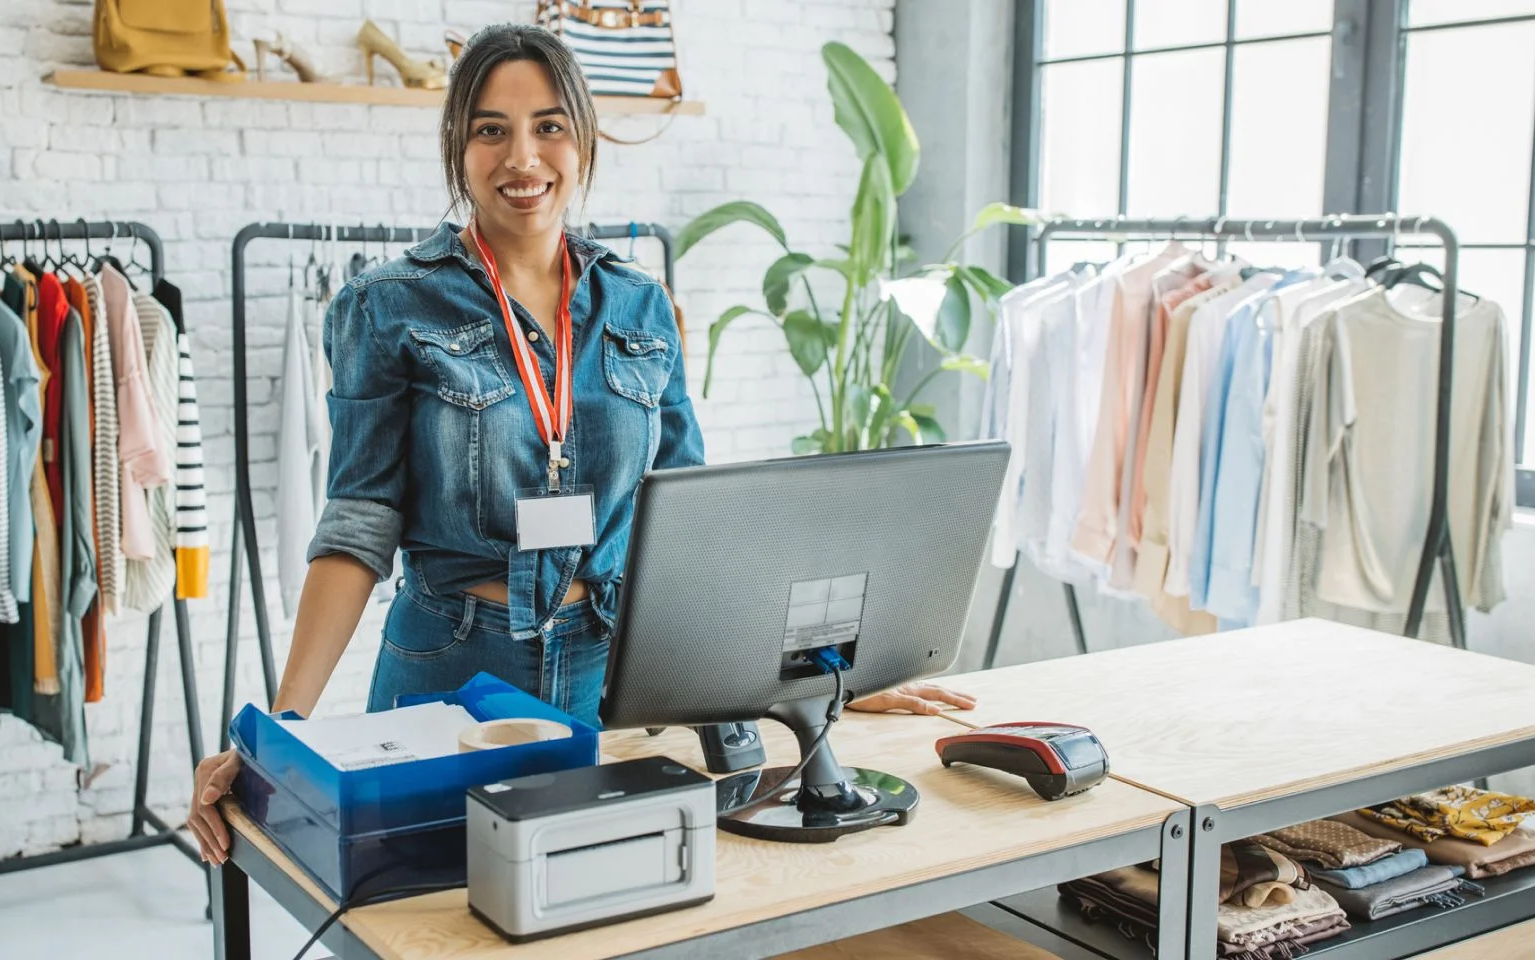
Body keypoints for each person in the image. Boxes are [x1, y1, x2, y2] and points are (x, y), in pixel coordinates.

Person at [188, 23, 977, 864]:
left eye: (549, 126)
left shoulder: (639, 307)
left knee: (604, 906)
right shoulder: (387, 307)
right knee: (432, 921)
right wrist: (285, 729)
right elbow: (357, 525)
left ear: (584, 141)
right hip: (450, 675)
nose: (522, 157)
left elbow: (700, 533)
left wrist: (817, 683)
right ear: (458, 146)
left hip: (615, 677)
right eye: (491, 129)